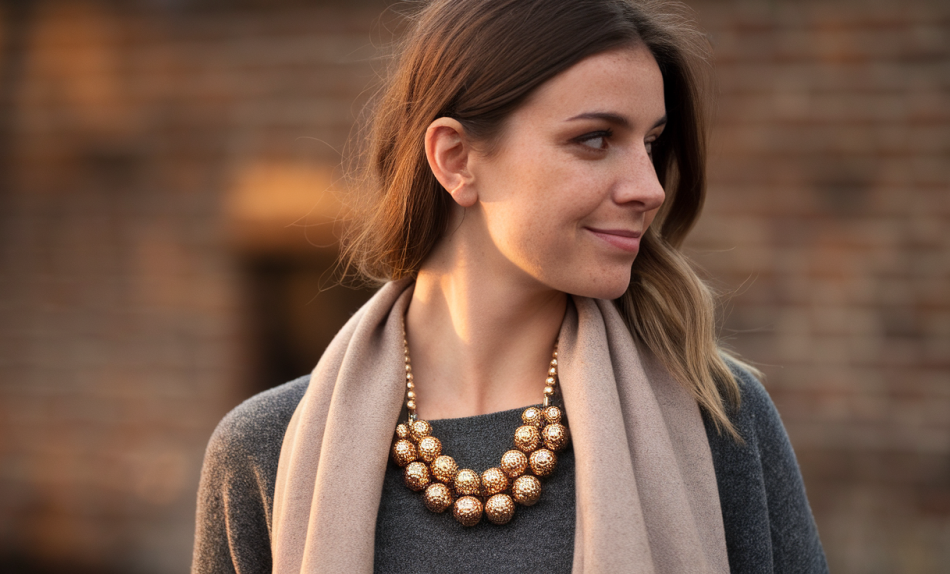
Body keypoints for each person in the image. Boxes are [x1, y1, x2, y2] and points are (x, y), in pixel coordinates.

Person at [192, 0, 828, 572]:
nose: (650, 188)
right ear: (456, 159)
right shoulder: (263, 453)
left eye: (652, 143)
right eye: (596, 138)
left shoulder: (719, 418)